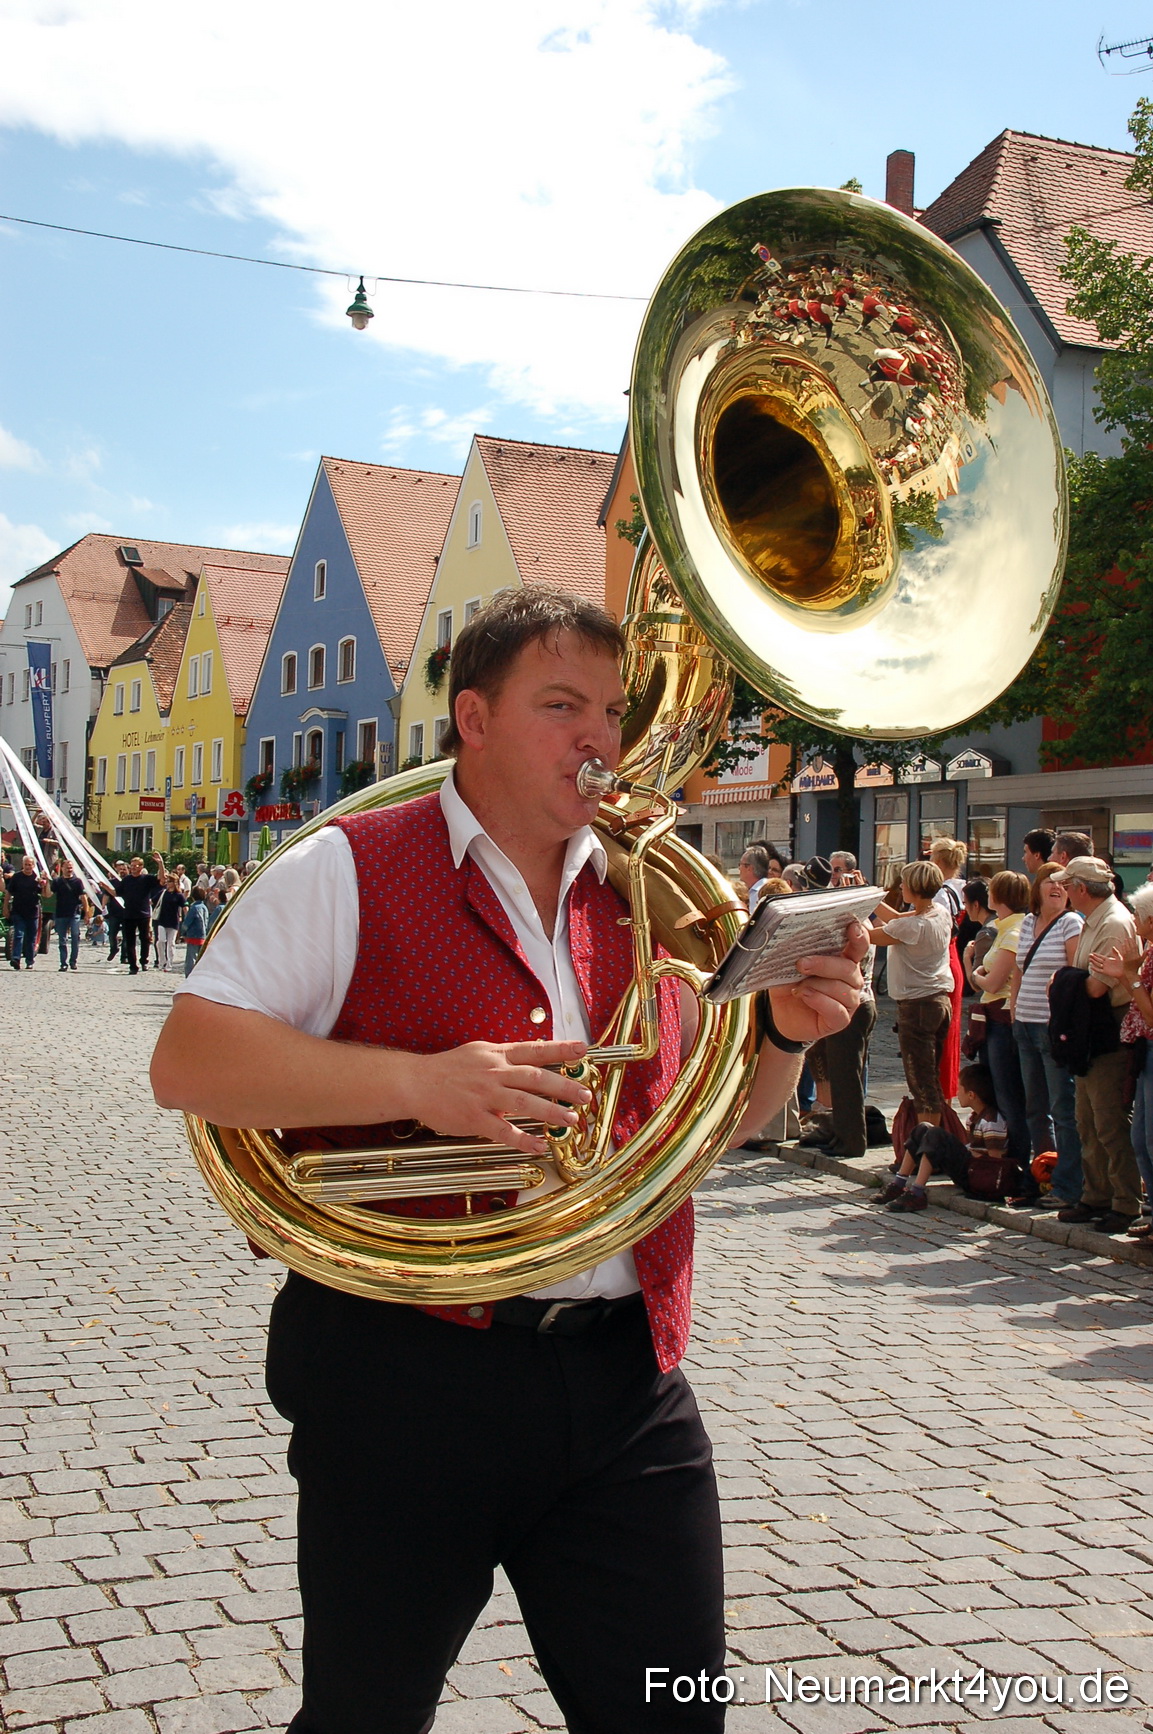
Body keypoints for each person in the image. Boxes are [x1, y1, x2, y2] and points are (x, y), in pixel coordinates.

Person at [150, 587, 865, 1734]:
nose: (600, 740)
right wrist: (419, 1084)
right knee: (365, 1719)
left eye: (612, 712)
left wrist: (783, 1034)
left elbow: (709, 1126)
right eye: (561, 706)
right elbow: (187, 1061)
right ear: (473, 719)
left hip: (626, 1377)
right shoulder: (346, 865)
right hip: (403, 1374)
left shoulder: (650, 891)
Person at [1053, 857, 1141, 1233]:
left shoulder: (1114, 922)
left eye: (1067, 886)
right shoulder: (1092, 919)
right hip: (1090, 1028)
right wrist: (1069, 979)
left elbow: (1095, 987)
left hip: (1109, 1028)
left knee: (1108, 1120)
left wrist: (1062, 981)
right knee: (1087, 1119)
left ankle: (1125, 1202)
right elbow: (1082, 979)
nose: (1064, 892)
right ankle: (1096, 1195)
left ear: (1081, 889)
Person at [1009, 863, 1083, 1209]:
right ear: (1037, 888)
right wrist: (1014, 1010)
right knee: (1035, 1108)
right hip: (1025, 1023)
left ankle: (1068, 1185)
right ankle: (1044, 1174)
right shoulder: (1028, 922)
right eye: (1050, 882)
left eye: (1063, 884)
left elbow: (1074, 974)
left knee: (1062, 1108)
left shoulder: (1071, 923)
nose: (1056, 888)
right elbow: (1019, 971)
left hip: (1052, 1027)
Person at [1089, 882, 1153, 1237]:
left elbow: (1151, 1014)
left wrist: (1129, 976)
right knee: (1140, 1136)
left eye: (1139, 916)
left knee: (1148, 1136)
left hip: (1148, 1045)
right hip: (1143, 1048)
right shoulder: (1149, 952)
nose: (1135, 922)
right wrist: (1127, 976)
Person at [870, 859, 954, 1126]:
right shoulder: (939, 912)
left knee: (921, 1082)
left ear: (914, 887)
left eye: (904, 883)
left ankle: (927, 1141)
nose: (901, 887)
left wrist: (851, 912)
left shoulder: (914, 926)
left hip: (917, 1006)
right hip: (939, 1000)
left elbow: (867, 936)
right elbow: (895, 919)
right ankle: (936, 1135)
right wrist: (869, 897)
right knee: (931, 1077)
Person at [969, 870, 1031, 1195]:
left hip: (1002, 1020)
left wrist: (974, 971)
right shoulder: (1004, 927)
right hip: (993, 1019)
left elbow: (992, 983)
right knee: (1000, 1091)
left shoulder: (1013, 931)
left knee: (1009, 1096)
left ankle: (1018, 1167)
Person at [875, 1063, 1004, 1213]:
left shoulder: (991, 1122)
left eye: (959, 1089)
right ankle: (898, 1184)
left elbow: (995, 1162)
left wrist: (966, 1152)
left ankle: (917, 1193)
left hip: (977, 1176)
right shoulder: (973, 1118)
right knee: (923, 1128)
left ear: (971, 1095)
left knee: (936, 1135)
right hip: (969, 1168)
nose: (956, 1093)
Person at [112, 852, 166, 974]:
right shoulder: (126, 880)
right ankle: (132, 965)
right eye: (132, 865)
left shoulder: (146, 879)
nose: (133, 868)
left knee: (145, 939)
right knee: (130, 941)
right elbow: (116, 893)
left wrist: (160, 864)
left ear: (141, 867)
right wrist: (104, 886)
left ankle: (144, 961)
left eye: (136, 866)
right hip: (129, 914)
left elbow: (162, 880)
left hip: (143, 914)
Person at [5, 856, 48, 970]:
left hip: (32, 912)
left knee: (31, 937)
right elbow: (9, 892)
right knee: (18, 934)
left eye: (30, 865)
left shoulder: (37, 878)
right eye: (26, 864)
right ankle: (16, 958)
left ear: (33, 866)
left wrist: (44, 884)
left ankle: (29, 960)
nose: (28, 867)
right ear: (23, 865)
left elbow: (44, 894)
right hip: (18, 910)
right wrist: (5, 907)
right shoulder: (17, 877)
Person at [51, 860, 90, 972]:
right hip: (61, 913)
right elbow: (49, 894)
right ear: (62, 868)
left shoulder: (77, 881)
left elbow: (83, 897)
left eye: (71, 867)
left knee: (75, 936)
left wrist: (87, 913)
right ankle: (63, 963)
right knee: (62, 940)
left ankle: (73, 961)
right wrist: (45, 883)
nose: (69, 869)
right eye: (67, 867)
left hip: (74, 913)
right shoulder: (57, 881)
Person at [154, 872, 188, 972]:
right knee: (160, 941)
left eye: (170, 881)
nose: (167, 883)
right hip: (162, 920)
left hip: (173, 921)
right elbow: (153, 901)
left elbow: (185, 905)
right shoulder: (163, 893)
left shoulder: (179, 895)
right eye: (167, 881)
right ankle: (162, 961)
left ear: (175, 883)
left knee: (171, 944)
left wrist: (186, 915)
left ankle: (169, 964)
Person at [179, 886, 210, 974]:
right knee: (200, 959)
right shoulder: (205, 907)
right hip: (203, 936)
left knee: (191, 959)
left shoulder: (194, 908)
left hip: (193, 936)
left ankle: (190, 976)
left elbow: (187, 922)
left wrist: (183, 932)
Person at [738, 845, 771, 913]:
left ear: (749, 868)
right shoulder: (768, 887)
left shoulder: (759, 893)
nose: (739, 868)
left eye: (740, 864)